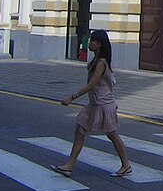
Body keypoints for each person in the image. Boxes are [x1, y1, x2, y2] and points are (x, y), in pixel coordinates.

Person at [53, 30, 132, 177]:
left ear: (99, 44)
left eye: (92, 41)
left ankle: (126, 164)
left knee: (112, 134)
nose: (89, 43)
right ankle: (68, 166)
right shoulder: (96, 61)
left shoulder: (101, 63)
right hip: (95, 103)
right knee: (79, 131)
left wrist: (72, 97)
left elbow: (91, 84)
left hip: (103, 104)